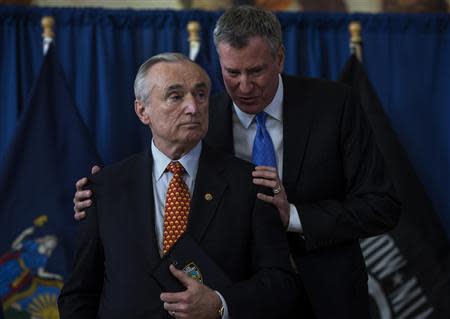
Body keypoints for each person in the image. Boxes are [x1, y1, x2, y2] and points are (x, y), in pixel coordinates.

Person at [73, 6, 401, 319]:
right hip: (238, 298)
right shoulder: (199, 120)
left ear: (280, 58)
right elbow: (161, 179)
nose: (244, 86)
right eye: (232, 73)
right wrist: (108, 196)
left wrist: (294, 217)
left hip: (329, 294)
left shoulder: (334, 107)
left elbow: (382, 205)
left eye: (256, 71)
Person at [58, 53, 299, 319]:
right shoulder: (104, 188)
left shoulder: (249, 184)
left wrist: (221, 305)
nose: (193, 108)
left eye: (200, 95)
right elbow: (79, 294)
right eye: (175, 96)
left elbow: (281, 284)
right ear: (142, 110)